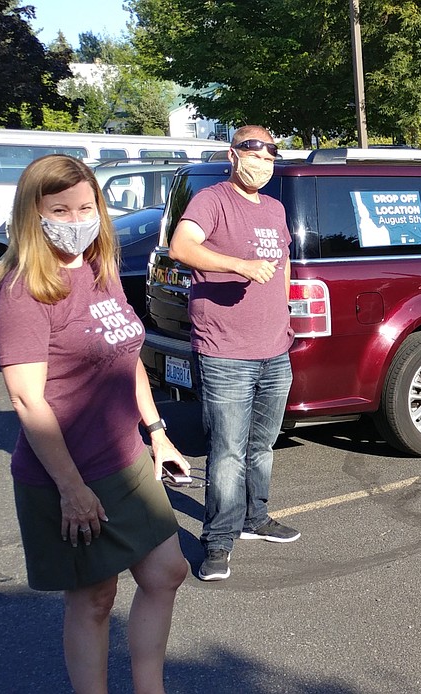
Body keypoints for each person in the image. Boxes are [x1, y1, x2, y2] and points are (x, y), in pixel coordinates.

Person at [0, 154, 189, 693]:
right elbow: (27, 401)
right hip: (69, 474)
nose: (76, 220)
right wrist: (72, 491)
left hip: (128, 460)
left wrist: (158, 433)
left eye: (85, 207)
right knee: (95, 598)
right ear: (33, 214)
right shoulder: (24, 291)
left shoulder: (101, 271)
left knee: (167, 572)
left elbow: (126, 357)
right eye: (60, 209)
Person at [169, 125, 299, 581]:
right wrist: (239, 265)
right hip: (225, 350)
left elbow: (281, 267)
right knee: (227, 451)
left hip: (274, 349)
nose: (262, 159)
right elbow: (181, 246)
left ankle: (255, 517)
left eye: (270, 152)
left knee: (262, 445)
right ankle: (218, 541)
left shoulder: (276, 209)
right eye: (252, 149)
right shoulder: (213, 199)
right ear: (233, 153)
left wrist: (284, 320)